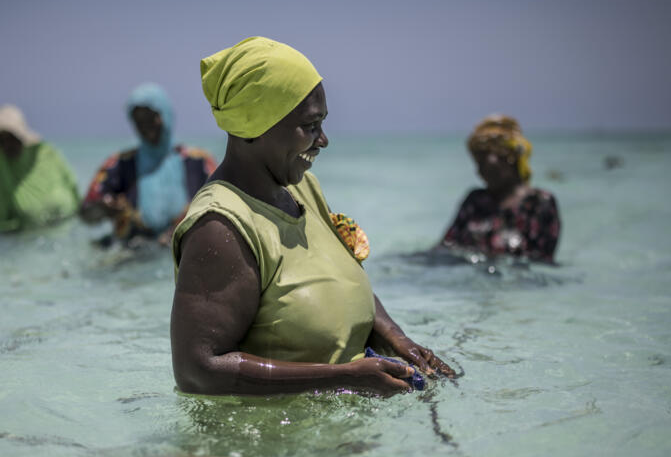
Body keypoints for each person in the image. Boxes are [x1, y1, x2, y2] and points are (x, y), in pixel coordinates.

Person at [170, 37, 458, 396]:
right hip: (266, 449)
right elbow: (199, 370)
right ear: (253, 126)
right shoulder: (221, 226)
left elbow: (339, 277)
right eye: (310, 126)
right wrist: (343, 377)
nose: (323, 140)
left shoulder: (302, 189)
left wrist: (397, 340)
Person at [79, 84, 217, 246]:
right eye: (140, 121)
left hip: (183, 250)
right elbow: (85, 213)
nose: (148, 126)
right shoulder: (119, 164)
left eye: (153, 117)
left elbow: (222, 204)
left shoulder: (198, 162)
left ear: (166, 115)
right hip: (131, 253)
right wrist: (104, 208)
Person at [437, 114, 561, 262]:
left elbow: (541, 260)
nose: (479, 171)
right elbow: (444, 247)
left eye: (484, 162)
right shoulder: (475, 201)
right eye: (477, 162)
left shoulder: (539, 203)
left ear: (510, 158)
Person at [0, 104, 80, 233]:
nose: (8, 145)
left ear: (22, 137)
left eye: (12, 138)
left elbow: (72, 183)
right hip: (29, 238)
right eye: (2, 140)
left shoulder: (47, 154)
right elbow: (1, 221)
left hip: (70, 225)